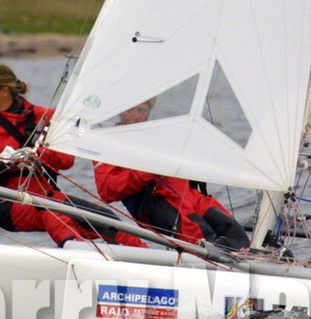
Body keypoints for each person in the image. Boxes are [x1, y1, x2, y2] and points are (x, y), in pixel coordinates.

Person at [0, 62, 143, 247]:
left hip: (49, 196)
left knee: (107, 220)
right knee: (52, 211)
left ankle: (152, 259)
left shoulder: (45, 116)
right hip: (6, 203)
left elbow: (66, 161)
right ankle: (77, 253)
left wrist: (40, 152)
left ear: (4, 90)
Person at [93, 98, 250, 250]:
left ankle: (245, 258)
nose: (136, 116)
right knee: (199, 236)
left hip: (187, 195)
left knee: (234, 232)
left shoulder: (160, 136)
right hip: (155, 202)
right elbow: (107, 190)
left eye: (142, 110)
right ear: (120, 112)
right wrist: (148, 169)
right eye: (130, 110)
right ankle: (215, 260)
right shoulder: (108, 142)